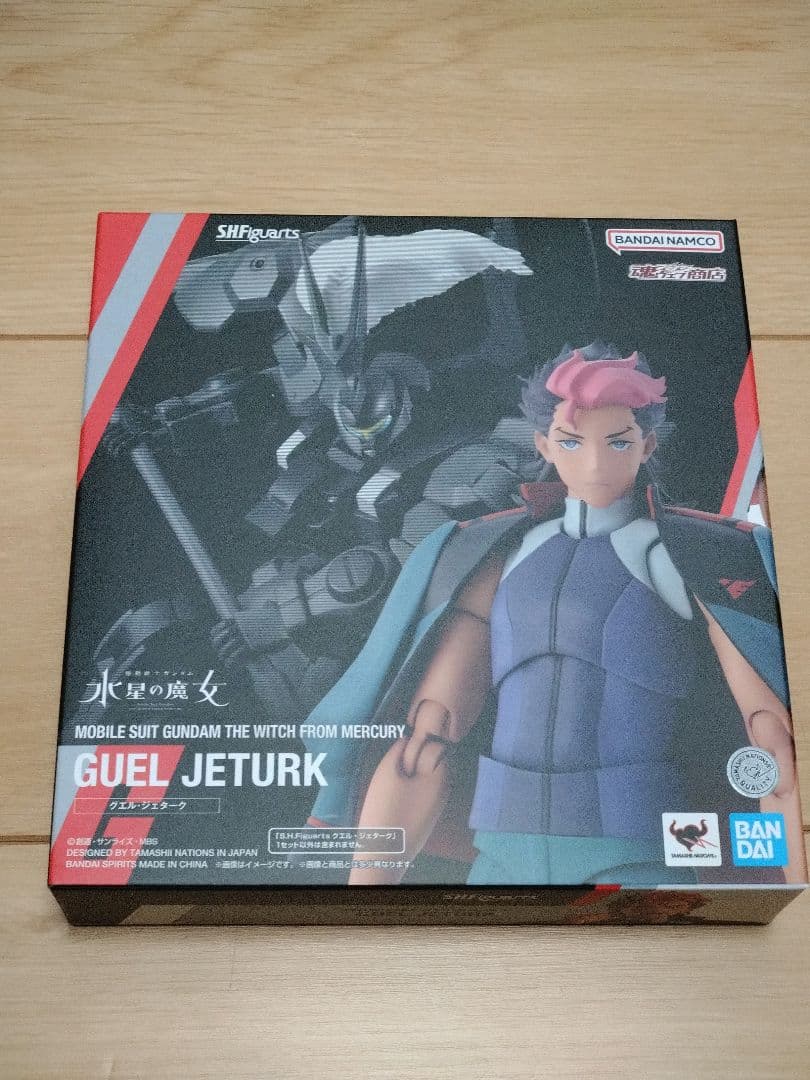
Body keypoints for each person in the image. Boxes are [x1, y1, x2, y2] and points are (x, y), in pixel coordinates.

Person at [303, 343, 800, 886]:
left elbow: (772, 737)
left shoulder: (688, 555)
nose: (595, 463)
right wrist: (366, 897)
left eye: (618, 441)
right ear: (544, 444)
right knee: (427, 728)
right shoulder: (497, 554)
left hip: (640, 850)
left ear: (647, 444)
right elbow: (426, 738)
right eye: (571, 441)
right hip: (502, 849)